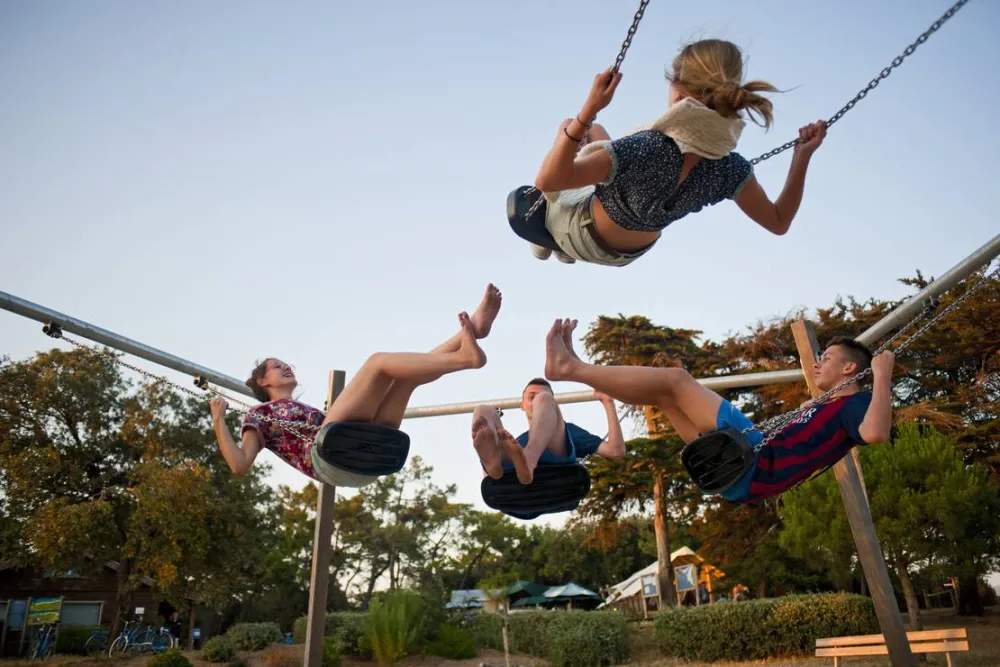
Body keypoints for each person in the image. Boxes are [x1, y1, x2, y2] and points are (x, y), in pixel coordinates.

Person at [517, 39, 826, 267]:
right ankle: (559, 244)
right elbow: (778, 221)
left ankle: (546, 237)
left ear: (677, 94)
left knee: (568, 133)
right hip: (629, 253)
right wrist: (802, 158)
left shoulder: (647, 148)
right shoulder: (730, 168)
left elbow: (548, 181)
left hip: (583, 233)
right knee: (595, 138)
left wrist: (588, 112)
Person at [541, 318, 894, 503]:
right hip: (737, 477)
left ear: (850, 370)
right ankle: (575, 366)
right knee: (664, 397)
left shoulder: (857, 403)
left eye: (827, 358)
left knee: (678, 380)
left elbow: (875, 433)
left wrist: (882, 376)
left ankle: (570, 368)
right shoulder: (830, 406)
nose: (818, 364)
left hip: (753, 457)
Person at [209, 284, 503, 487]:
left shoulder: (303, 411)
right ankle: (466, 354)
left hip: (366, 455)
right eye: (276, 366)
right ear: (263, 381)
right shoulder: (260, 414)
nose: (285, 367)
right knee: (377, 363)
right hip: (331, 455)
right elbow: (239, 464)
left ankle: (470, 333)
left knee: (406, 377)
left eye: (285, 363)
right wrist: (219, 419)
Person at [470, 324, 625, 485]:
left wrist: (608, 403)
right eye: (532, 397)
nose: (537, 400)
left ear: (553, 405)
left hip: (558, 475)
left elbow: (615, 451)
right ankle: (493, 468)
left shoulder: (569, 431)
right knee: (483, 410)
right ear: (522, 405)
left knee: (518, 444)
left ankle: (529, 459)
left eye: (543, 398)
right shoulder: (515, 441)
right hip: (511, 486)